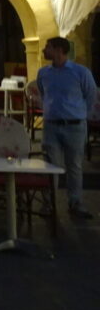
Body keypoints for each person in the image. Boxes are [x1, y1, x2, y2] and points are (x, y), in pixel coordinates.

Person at [37, 36, 97, 220]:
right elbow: (42, 92)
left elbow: (91, 94)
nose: (44, 50)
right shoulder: (44, 73)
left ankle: (75, 202)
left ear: (59, 50)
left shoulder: (80, 72)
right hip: (52, 125)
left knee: (74, 166)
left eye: (48, 47)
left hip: (74, 125)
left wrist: (80, 114)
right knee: (50, 165)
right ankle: (49, 203)